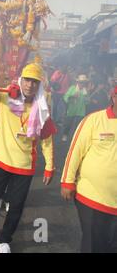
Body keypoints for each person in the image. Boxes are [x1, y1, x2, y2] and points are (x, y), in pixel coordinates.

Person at [0, 63, 57, 253]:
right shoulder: (6, 97)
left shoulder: (42, 109)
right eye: (27, 80)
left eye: (35, 82)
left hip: (24, 164)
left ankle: (5, 240)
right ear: (21, 80)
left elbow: (47, 141)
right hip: (1, 158)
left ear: (39, 86)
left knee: (17, 206)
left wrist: (49, 167)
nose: (30, 85)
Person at [60, 84, 117, 253]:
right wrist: (67, 182)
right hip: (92, 197)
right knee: (93, 245)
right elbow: (75, 150)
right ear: (113, 97)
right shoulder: (94, 120)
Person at [61, 75, 90, 142]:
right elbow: (66, 96)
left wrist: (88, 100)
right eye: (80, 82)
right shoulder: (72, 88)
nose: (81, 84)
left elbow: (87, 101)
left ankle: (76, 137)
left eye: (83, 82)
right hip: (72, 109)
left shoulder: (86, 90)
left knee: (79, 125)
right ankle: (65, 134)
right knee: (68, 124)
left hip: (81, 110)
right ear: (77, 82)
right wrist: (71, 96)